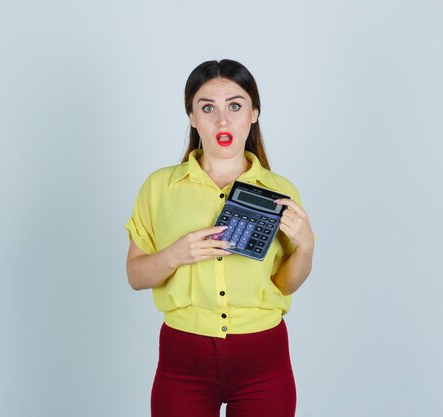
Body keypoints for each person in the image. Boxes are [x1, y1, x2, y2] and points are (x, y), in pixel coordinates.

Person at [124, 59, 315, 417]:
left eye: (235, 105)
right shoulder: (159, 187)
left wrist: (306, 246)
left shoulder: (281, 192)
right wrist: (177, 254)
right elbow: (135, 277)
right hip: (182, 360)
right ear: (192, 117)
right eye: (207, 107)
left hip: (264, 360)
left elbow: (285, 285)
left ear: (254, 113)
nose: (222, 120)